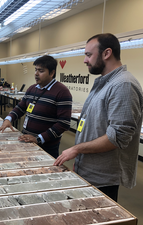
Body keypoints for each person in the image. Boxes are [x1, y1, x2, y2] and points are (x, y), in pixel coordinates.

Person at [54, 33, 143, 202]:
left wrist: (77, 149)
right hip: (87, 168)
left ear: (106, 53)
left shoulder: (123, 84)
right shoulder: (105, 82)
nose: (85, 60)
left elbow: (118, 137)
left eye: (88, 55)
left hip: (102, 177)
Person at [0, 55, 72, 158]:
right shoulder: (32, 89)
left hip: (47, 147)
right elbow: (20, 108)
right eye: (35, 70)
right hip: (26, 140)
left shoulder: (62, 92)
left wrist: (38, 138)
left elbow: (64, 123)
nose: (36, 74)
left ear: (52, 73)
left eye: (41, 71)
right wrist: (8, 119)